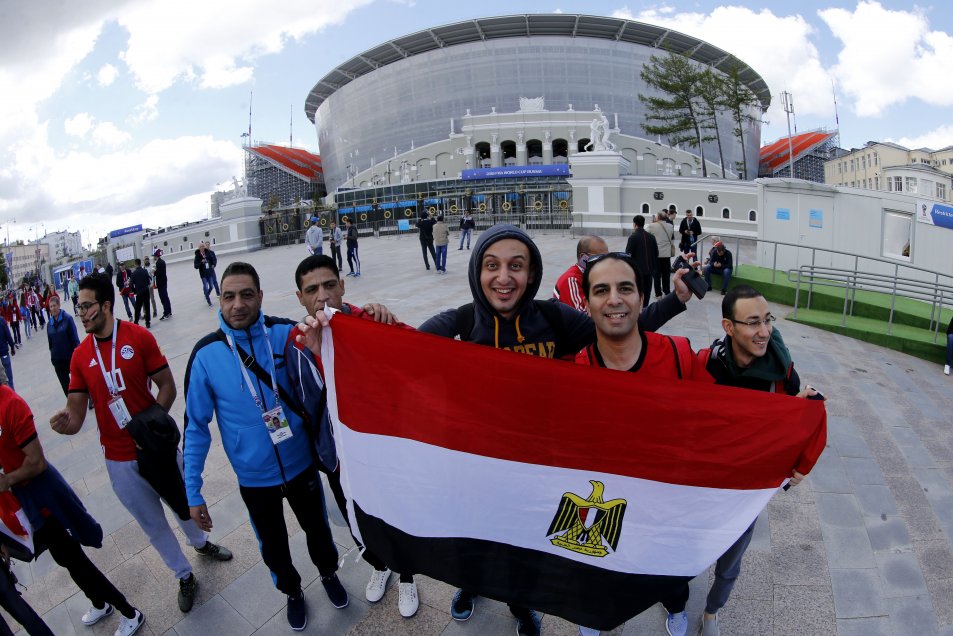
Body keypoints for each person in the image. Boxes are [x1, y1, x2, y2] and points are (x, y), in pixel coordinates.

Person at [418, 224, 692, 636]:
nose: (504, 277)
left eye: (517, 265)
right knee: (472, 539)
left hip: (539, 466)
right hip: (477, 466)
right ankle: (468, 586)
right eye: (492, 265)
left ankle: (521, 605)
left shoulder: (551, 318)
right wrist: (355, 322)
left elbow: (620, 328)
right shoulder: (459, 324)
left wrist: (676, 300)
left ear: (532, 273)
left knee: (521, 544)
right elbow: (394, 349)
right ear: (477, 271)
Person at [49, 273, 233, 615]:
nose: (82, 313)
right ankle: (183, 575)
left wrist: (152, 425)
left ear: (105, 305)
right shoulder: (80, 356)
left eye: (86, 306)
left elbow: (166, 385)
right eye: (79, 307)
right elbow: (75, 414)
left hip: (157, 449)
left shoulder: (138, 336)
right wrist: (65, 424)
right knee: (152, 523)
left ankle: (202, 544)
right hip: (119, 461)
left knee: (183, 503)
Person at [183, 262, 347, 631]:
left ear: (259, 296)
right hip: (255, 478)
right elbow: (195, 428)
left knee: (318, 530)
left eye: (246, 295)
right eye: (229, 296)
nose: (237, 304)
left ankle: (328, 573)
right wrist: (192, 492)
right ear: (219, 301)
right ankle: (291, 591)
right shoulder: (206, 355)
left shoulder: (286, 333)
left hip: (301, 462)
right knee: (272, 546)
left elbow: (337, 347)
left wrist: (372, 314)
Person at [571, 252, 709, 636]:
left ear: (642, 298)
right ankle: (591, 615)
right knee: (594, 566)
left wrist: (793, 401)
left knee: (668, 571)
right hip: (601, 499)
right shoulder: (572, 372)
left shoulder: (680, 355)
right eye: (602, 290)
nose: (614, 299)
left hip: (662, 499)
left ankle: (676, 606)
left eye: (625, 288)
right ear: (586, 303)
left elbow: (737, 401)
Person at [287, 254, 420, 618]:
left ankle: (407, 575)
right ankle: (380, 565)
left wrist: (386, 320)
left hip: (380, 444)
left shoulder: (370, 322)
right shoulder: (298, 343)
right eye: (312, 289)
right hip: (338, 453)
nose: (323, 295)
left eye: (330, 285)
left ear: (343, 285)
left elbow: (419, 351)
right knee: (357, 516)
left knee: (395, 511)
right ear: (299, 297)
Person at [688, 285, 819, 636]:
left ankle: (712, 614)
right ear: (729, 327)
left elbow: (787, 427)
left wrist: (800, 451)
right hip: (701, 482)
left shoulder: (783, 373)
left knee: (731, 562)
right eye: (752, 323)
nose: (764, 332)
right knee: (685, 545)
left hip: (744, 490)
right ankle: (674, 596)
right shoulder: (704, 365)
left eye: (767, 320)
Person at [0, 386, 145, 636]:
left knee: (75, 560)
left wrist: (7, 480)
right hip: (25, 502)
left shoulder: (11, 404)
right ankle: (100, 604)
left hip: (43, 498)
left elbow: (37, 461)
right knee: (65, 559)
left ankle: (130, 612)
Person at [553, 235, 608, 312]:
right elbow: (584, 314)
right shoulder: (572, 279)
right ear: (584, 258)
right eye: (600, 258)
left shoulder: (593, 275)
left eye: (607, 257)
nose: (605, 262)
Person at [46, 295, 80, 395]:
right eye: (51, 306)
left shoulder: (67, 319)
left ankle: (89, 398)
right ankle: (72, 404)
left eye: (54, 305)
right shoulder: (49, 324)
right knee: (66, 387)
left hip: (70, 358)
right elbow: (50, 343)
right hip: (58, 361)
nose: (53, 308)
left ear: (59, 305)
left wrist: (77, 355)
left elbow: (75, 339)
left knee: (78, 381)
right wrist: (53, 357)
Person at [624, 214, 658, 306]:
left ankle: (638, 312)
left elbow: (628, 255)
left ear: (634, 224)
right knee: (647, 293)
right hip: (649, 271)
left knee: (637, 293)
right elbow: (656, 254)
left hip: (637, 272)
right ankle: (645, 310)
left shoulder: (633, 237)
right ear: (643, 224)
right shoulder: (651, 237)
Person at [647, 211, 676, 299]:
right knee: (666, 274)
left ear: (658, 217)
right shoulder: (670, 226)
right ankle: (667, 292)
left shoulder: (652, 226)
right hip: (667, 254)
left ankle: (658, 294)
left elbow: (646, 234)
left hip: (656, 254)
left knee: (656, 275)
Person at [194, 241, 220, 306]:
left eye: (203, 246)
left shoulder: (208, 253)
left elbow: (212, 260)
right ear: (199, 248)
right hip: (203, 274)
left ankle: (207, 294)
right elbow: (195, 266)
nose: (202, 247)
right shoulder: (197, 256)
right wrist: (201, 262)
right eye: (200, 246)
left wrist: (213, 264)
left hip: (209, 272)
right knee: (205, 286)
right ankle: (208, 300)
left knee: (211, 286)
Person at [130, 259, 152, 328]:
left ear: (136, 264)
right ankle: (147, 322)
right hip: (146, 291)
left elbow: (131, 284)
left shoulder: (134, 273)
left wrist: (134, 291)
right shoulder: (144, 271)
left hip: (139, 292)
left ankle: (136, 322)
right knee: (147, 306)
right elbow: (148, 280)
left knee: (138, 308)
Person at [154, 249, 172, 320]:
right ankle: (169, 311)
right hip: (164, 281)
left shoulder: (159, 263)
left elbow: (159, 273)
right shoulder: (162, 261)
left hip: (161, 283)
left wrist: (154, 272)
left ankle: (166, 313)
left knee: (163, 298)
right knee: (166, 297)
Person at [0, 316, 14, 390]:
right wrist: (12, 346)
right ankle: (12, 397)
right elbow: (8, 335)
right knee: (9, 379)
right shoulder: (1, 320)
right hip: (4, 353)